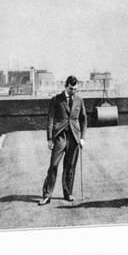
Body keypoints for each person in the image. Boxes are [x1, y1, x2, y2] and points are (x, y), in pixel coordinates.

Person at [38, 76, 87, 206]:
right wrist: (49, 138)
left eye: (75, 89)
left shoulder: (79, 100)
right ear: (66, 86)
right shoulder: (56, 99)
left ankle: (67, 193)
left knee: (70, 166)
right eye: (71, 89)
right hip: (60, 137)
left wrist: (82, 138)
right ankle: (47, 195)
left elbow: (83, 120)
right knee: (53, 165)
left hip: (74, 137)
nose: (73, 91)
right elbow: (50, 119)